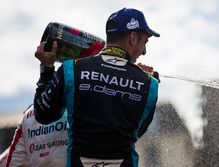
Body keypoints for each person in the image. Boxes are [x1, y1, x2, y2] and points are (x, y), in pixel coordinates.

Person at [34, 7, 160, 167]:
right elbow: (135, 131)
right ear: (133, 37)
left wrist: (47, 68)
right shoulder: (150, 85)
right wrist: (140, 77)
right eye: (145, 42)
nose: (144, 51)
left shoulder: (70, 69)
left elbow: (43, 114)